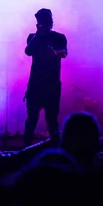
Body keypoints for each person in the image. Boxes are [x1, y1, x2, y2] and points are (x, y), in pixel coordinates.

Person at [23, 8, 68, 147]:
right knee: (31, 119)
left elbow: (64, 53)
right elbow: (27, 51)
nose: (41, 23)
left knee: (52, 120)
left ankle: (55, 151)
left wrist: (54, 53)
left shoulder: (59, 37)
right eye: (39, 20)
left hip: (52, 85)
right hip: (35, 85)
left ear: (51, 22)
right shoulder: (32, 37)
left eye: (44, 20)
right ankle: (25, 151)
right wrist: (38, 33)